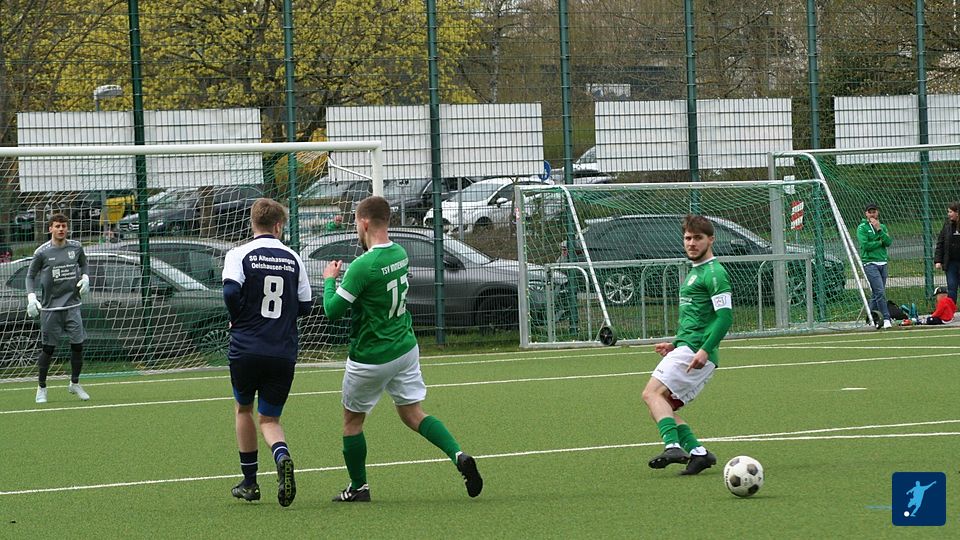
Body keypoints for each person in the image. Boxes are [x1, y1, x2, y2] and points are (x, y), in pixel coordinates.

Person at [322, 195, 482, 502]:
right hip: (405, 348)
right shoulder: (399, 252)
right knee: (413, 414)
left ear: (364, 222)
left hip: (372, 356)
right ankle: (459, 455)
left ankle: (358, 487)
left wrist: (330, 279)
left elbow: (332, 310)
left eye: (356, 223)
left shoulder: (362, 266)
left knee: (352, 423)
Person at [222, 198, 312, 507]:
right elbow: (306, 305)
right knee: (270, 419)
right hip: (282, 350)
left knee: (243, 409)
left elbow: (230, 291)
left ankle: (250, 483)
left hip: (246, 347)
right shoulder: (293, 258)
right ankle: (282, 456)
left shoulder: (239, 254)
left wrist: (239, 316)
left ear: (253, 223)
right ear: (278, 226)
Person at [643, 215, 732, 476]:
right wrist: (675, 344)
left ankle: (673, 446)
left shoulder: (715, 273)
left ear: (711, 240)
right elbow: (698, 319)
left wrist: (704, 349)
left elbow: (725, 317)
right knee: (661, 406)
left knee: (651, 394)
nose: (691, 243)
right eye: (687, 238)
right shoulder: (696, 272)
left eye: (698, 238)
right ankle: (698, 453)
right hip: (687, 346)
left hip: (696, 350)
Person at [26, 213, 90, 404]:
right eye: (57, 226)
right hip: (50, 309)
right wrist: (31, 297)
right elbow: (30, 276)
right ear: (50, 229)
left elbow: (84, 264)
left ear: (67, 228)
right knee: (48, 349)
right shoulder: (42, 252)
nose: (61, 229)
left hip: (72, 306)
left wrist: (86, 278)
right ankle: (42, 388)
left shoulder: (76, 247)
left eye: (63, 226)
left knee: (78, 346)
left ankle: (74, 383)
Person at [857, 202, 893, 329]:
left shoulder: (882, 226)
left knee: (876, 293)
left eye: (874, 211)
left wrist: (879, 230)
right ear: (866, 214)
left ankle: (870, 318)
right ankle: (886, 318)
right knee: (880, 292)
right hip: (870, 263)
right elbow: (865, 245)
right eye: (870, 212)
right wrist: (879, 242)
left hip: (882, 262)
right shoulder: (862, 228)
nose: (872, 214)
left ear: (877, 212)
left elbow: (888, 242)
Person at [933, 201, 960, 303]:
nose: (948, 214)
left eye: (950, 212)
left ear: (957, 212)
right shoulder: (947, 225)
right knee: (952, 288)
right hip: (951, 263)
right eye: (948, 212)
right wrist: (938, 260)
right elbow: (941, 242)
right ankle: (951, 309)